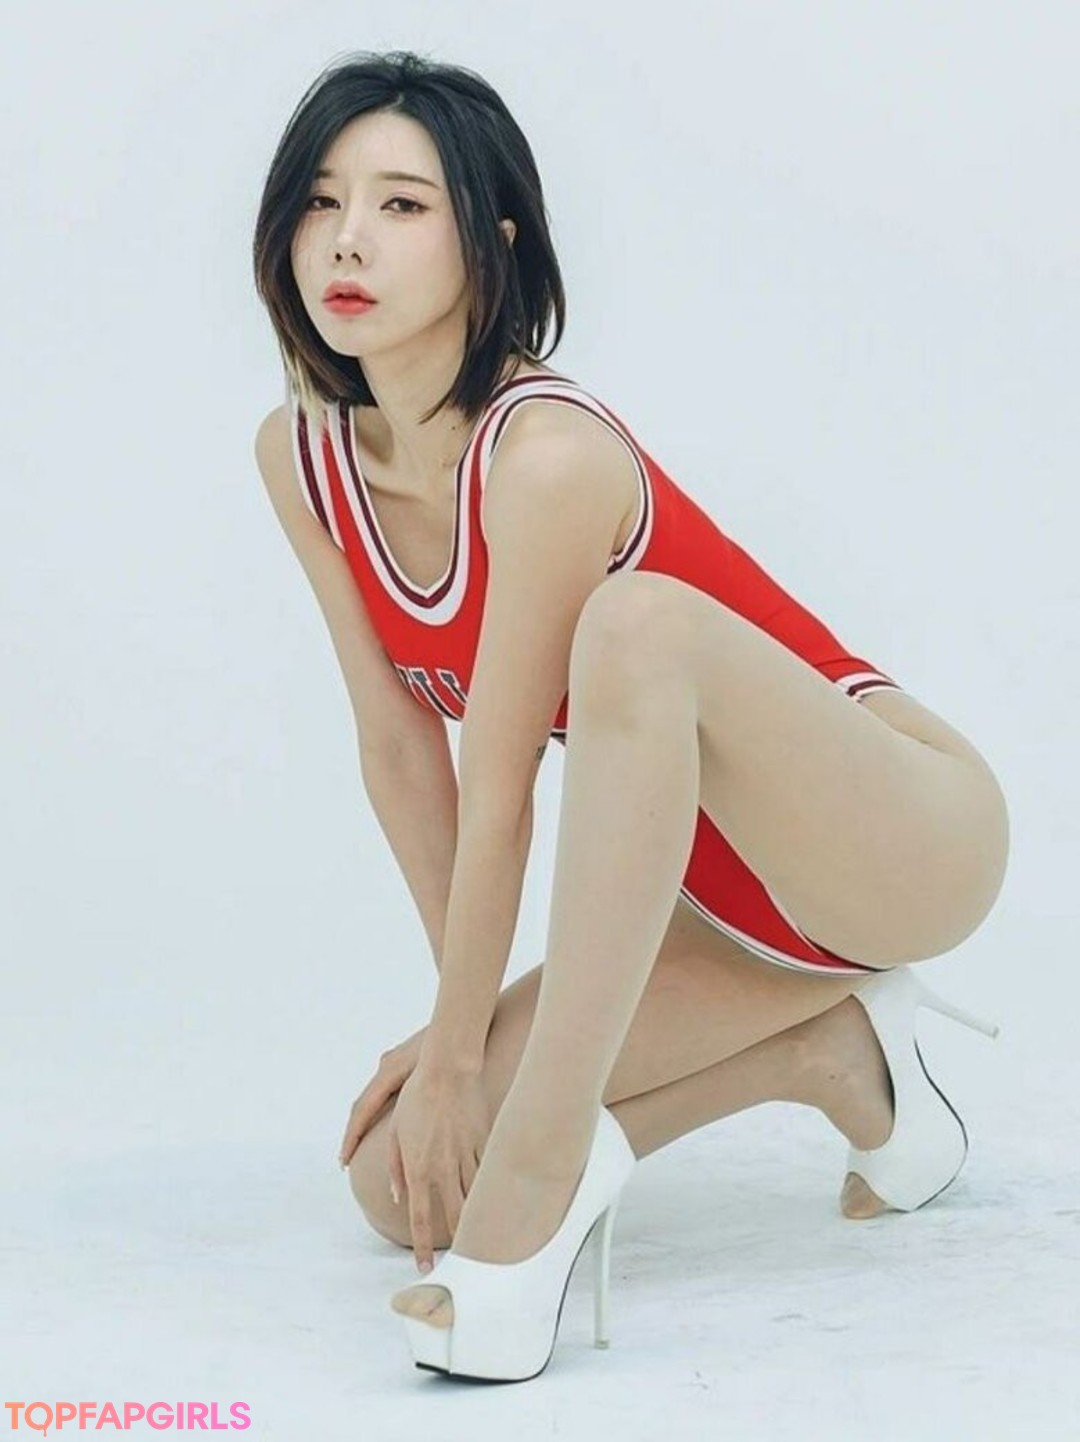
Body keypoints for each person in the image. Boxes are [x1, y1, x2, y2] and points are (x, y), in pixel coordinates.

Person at [251, 49, 1010, 1382]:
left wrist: (473, 1053)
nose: (348, 238)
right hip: (701, 901)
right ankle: (831, 1054)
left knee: (637, 621)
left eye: (402, 204)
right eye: (321, 200)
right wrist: (457, 1039)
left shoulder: (547, 456)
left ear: (492, 244)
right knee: (398, 1180)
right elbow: (402, 750)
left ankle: (541, 1197)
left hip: (895, 836)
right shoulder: (305, 457)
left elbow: (503, 787)